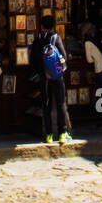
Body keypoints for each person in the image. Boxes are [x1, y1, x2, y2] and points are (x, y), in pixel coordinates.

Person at [29, 15, 72, 145]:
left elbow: (33, 60)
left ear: (41, 26)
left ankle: (48, 134)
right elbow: (63, 57)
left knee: (46, 104)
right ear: (53, 26)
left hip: (44, 77)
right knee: (60, 103)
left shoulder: (37, 41)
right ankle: (63, 133)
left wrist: (41, 72)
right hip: (57, 77)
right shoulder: (56, 38)